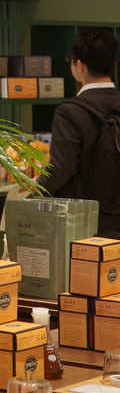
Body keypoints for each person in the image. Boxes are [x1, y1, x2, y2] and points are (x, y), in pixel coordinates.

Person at [43, 27, 120, 237]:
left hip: (87, 222)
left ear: (79, 65)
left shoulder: (70, 111)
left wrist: (36, 189)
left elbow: (61, 168)